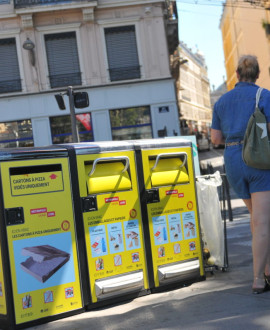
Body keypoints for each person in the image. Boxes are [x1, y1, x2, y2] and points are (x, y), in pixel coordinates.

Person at [211, 55, 270, 294]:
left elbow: (215, 138)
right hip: (257, 160)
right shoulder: (264, 95)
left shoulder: (222, 102)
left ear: (236, 74)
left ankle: (267, 270)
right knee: (262, 221)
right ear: (257, 74)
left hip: (233, 160)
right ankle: (258, 278)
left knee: (257, 217)